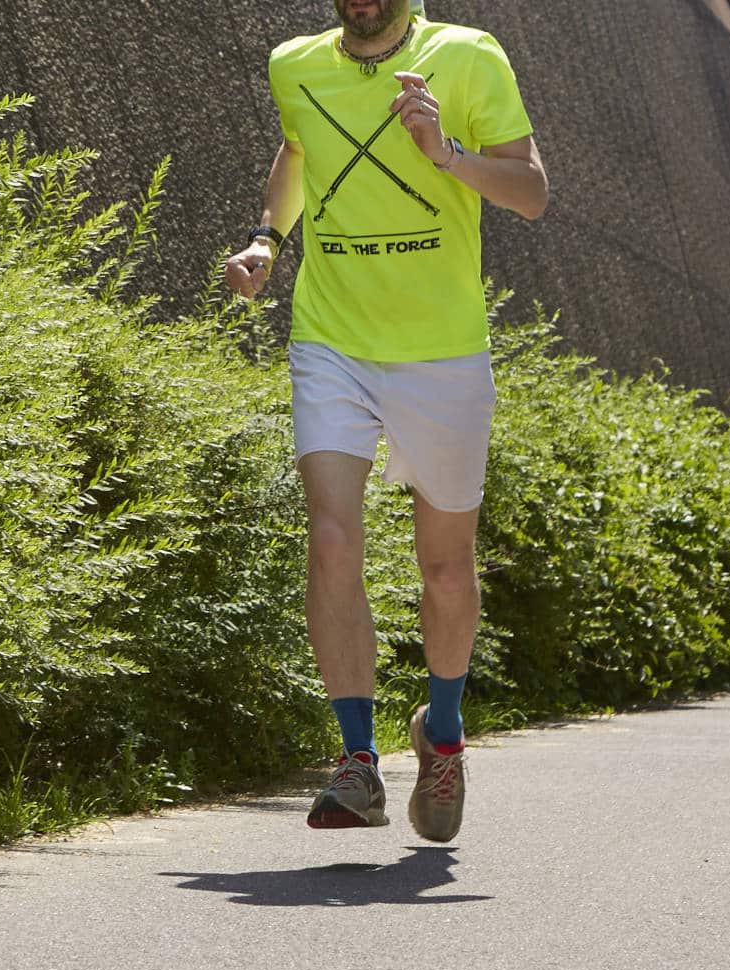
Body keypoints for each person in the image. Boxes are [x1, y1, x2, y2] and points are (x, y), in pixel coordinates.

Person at [221, 0, 548, 840]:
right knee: (331, 538)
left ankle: (443, 732)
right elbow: (299, 149)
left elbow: (531, 192)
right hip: (331, 337)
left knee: (446, 569)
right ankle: (357, 760)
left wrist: (446, 154)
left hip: (442, 351)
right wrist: (267, 239)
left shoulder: (469, 56)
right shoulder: (295, 64)